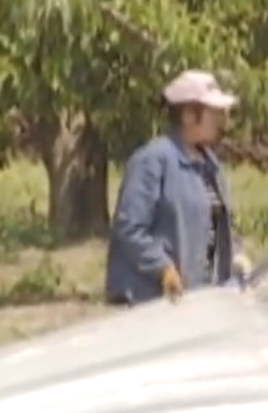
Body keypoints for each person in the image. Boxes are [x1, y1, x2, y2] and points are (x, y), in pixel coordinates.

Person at [104, 70, 245, 305]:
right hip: (154, 300)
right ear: (189, 115)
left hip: (201, 297)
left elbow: (220, 223)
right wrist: (163, 268)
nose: (221, 120)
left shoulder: (210, 165)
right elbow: (129, 229)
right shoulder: (153, 160)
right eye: (214, 113)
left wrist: (237, 257)